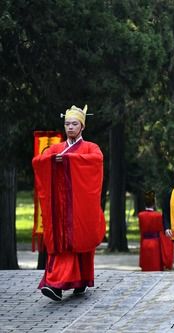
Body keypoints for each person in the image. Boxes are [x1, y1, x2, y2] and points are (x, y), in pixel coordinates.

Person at [32, 105, 105, 301]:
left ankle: (80, 280)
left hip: (78, 206)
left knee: (78, 242)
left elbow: (95, 161)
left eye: (74, 124)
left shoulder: (91, 147)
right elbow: (38, 161)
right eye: (67, 124)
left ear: (82, 126)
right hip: (59, 209)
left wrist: (69, 159)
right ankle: (55, 285)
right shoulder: (56, 148)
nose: (70, 127)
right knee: (62, 246)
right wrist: (52, 161)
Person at [138, 191, 174, 271]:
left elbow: (141, 230)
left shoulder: (141, 215)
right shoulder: (158, 215)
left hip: (145, 243)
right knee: (156, 268)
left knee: (146, 268)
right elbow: (162, 230)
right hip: (156, 244)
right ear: (154, 203)